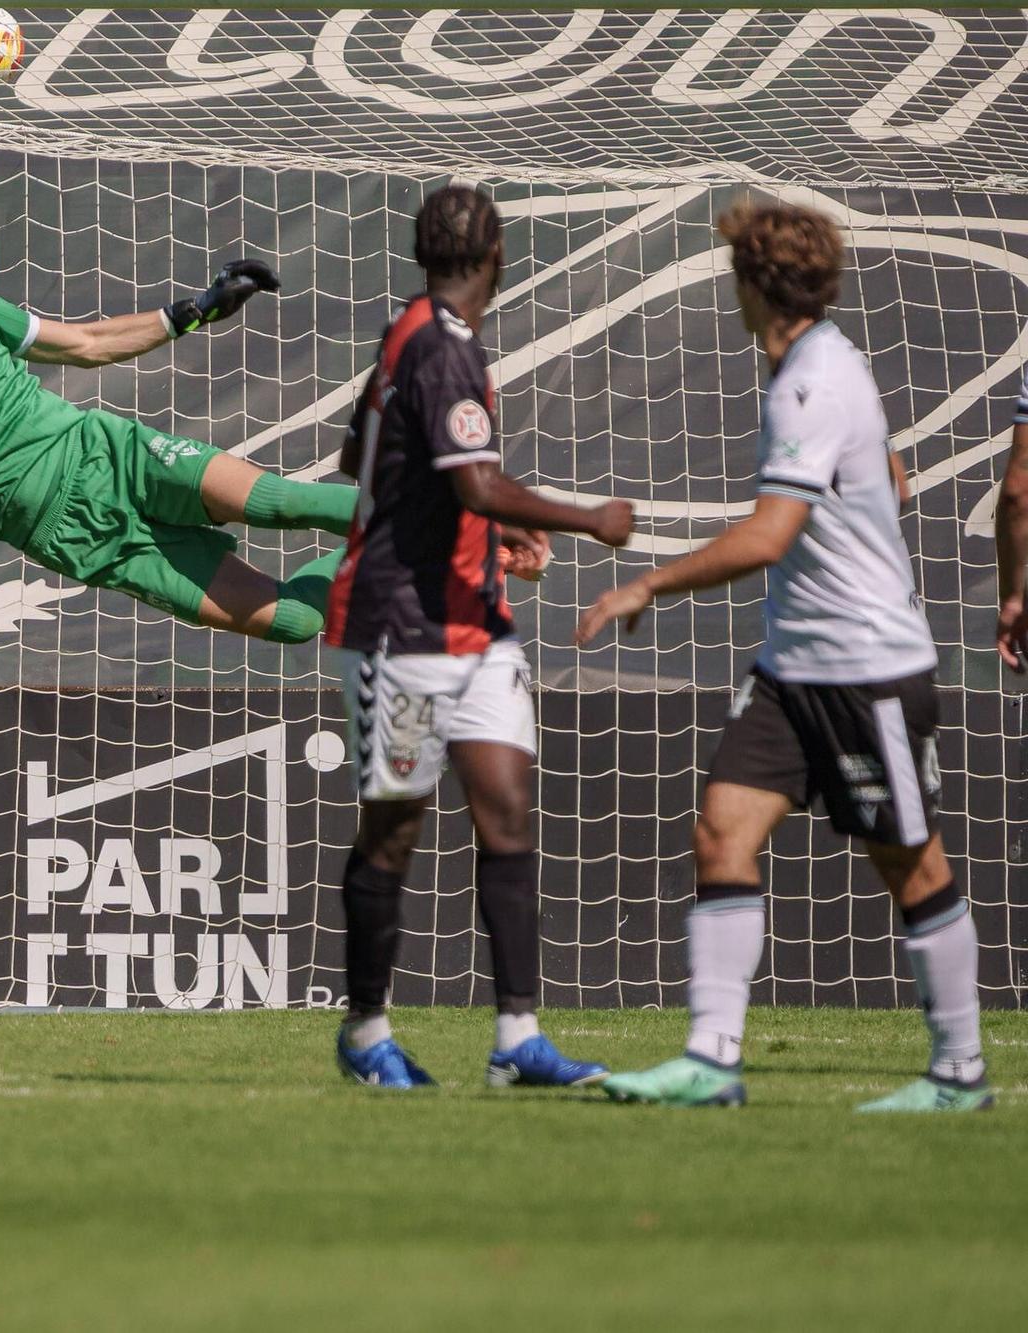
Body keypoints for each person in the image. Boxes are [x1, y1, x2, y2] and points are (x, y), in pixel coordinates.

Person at [577, 199, 990, 1112]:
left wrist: (648, 583)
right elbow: (893, 480)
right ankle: (711, 1061)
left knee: (911, 865)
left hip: (868, 667)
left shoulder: (811, 381)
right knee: (722, 829)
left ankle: (960, 1072)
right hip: (793, 668)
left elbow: (767, 536)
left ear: (754, 286)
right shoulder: (826, 366)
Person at [324, 184, 634, 1089]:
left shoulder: (410, 330)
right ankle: (367, 1033)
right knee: (397, 826)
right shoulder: (441, 347)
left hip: (476, 626)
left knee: (503, 809)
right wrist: (589, 517)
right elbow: (474, 485)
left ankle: (516, 1039)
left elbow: (362, 459)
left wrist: (486, 532)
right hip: (403, 632)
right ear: (500, 253)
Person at [0, 251, 362, 710]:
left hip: (110, 458)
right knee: (295, 622)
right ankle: (392, 548)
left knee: (283, 503)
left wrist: (195, 310)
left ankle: (437, 513)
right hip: (79, 539)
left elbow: (84, 343)